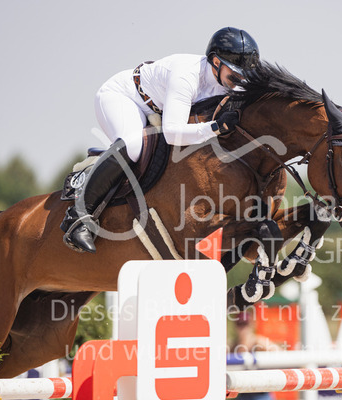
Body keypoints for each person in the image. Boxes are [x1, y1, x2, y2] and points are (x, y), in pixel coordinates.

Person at [61, 27, 260, 253]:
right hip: (125, 97)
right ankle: (78, 217)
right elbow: (172, 133)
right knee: (133, 146)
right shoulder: (186, 76)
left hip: (155, 109)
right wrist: (214, 128)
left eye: (243, 77)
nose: (238, 82)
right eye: (235, 75)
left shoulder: (225, 81)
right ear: (215, 62)